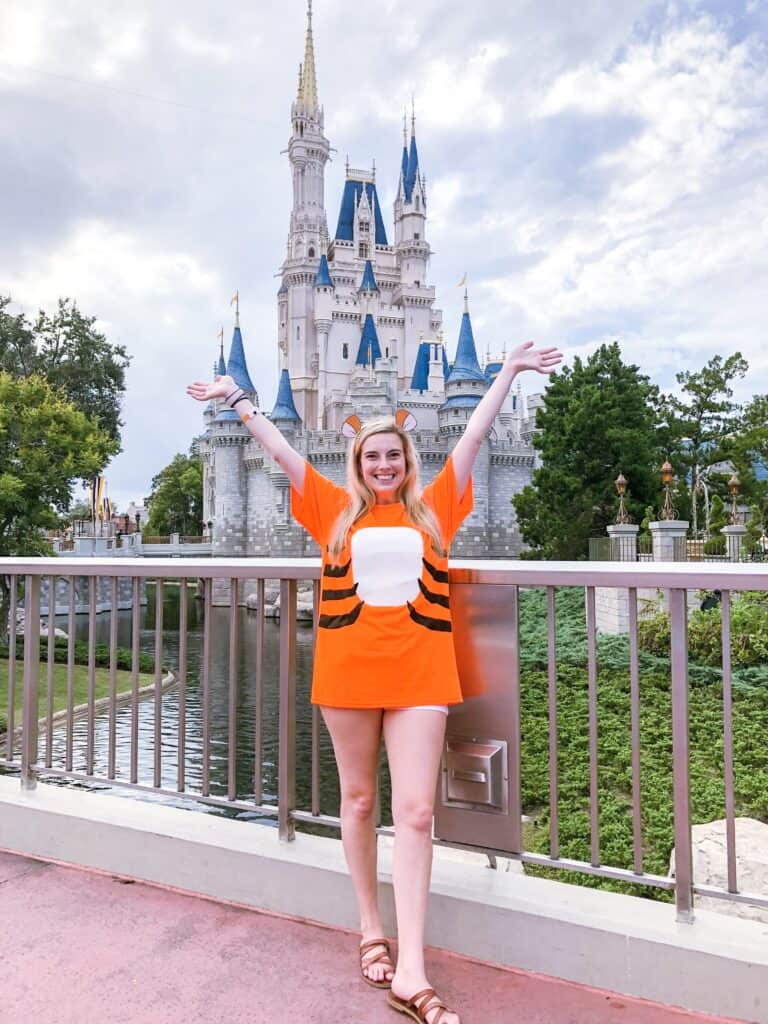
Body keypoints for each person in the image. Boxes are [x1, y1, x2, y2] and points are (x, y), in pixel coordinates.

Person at [187, 339, 561, 1024]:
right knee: (359, 804)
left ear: (408, 461)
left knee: (415, 813)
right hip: (348, 670)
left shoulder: (436, 506)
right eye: (372, 456)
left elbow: (473, 434)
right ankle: (370, 929)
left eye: (393, 455)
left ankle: (412, 968)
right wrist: (236, 401)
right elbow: (282, 451)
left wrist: (505, 372)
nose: (383, 465)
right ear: (357, 464)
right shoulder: (331, 508)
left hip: (423, 672)